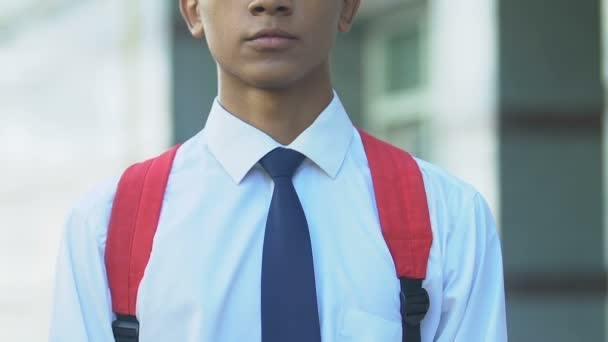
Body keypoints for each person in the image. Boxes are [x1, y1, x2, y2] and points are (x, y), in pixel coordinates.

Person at [49, 0, 507, 341]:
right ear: (191, 9)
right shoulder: (107, 228)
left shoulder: (448, 217)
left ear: (349, 7)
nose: (268, 3)